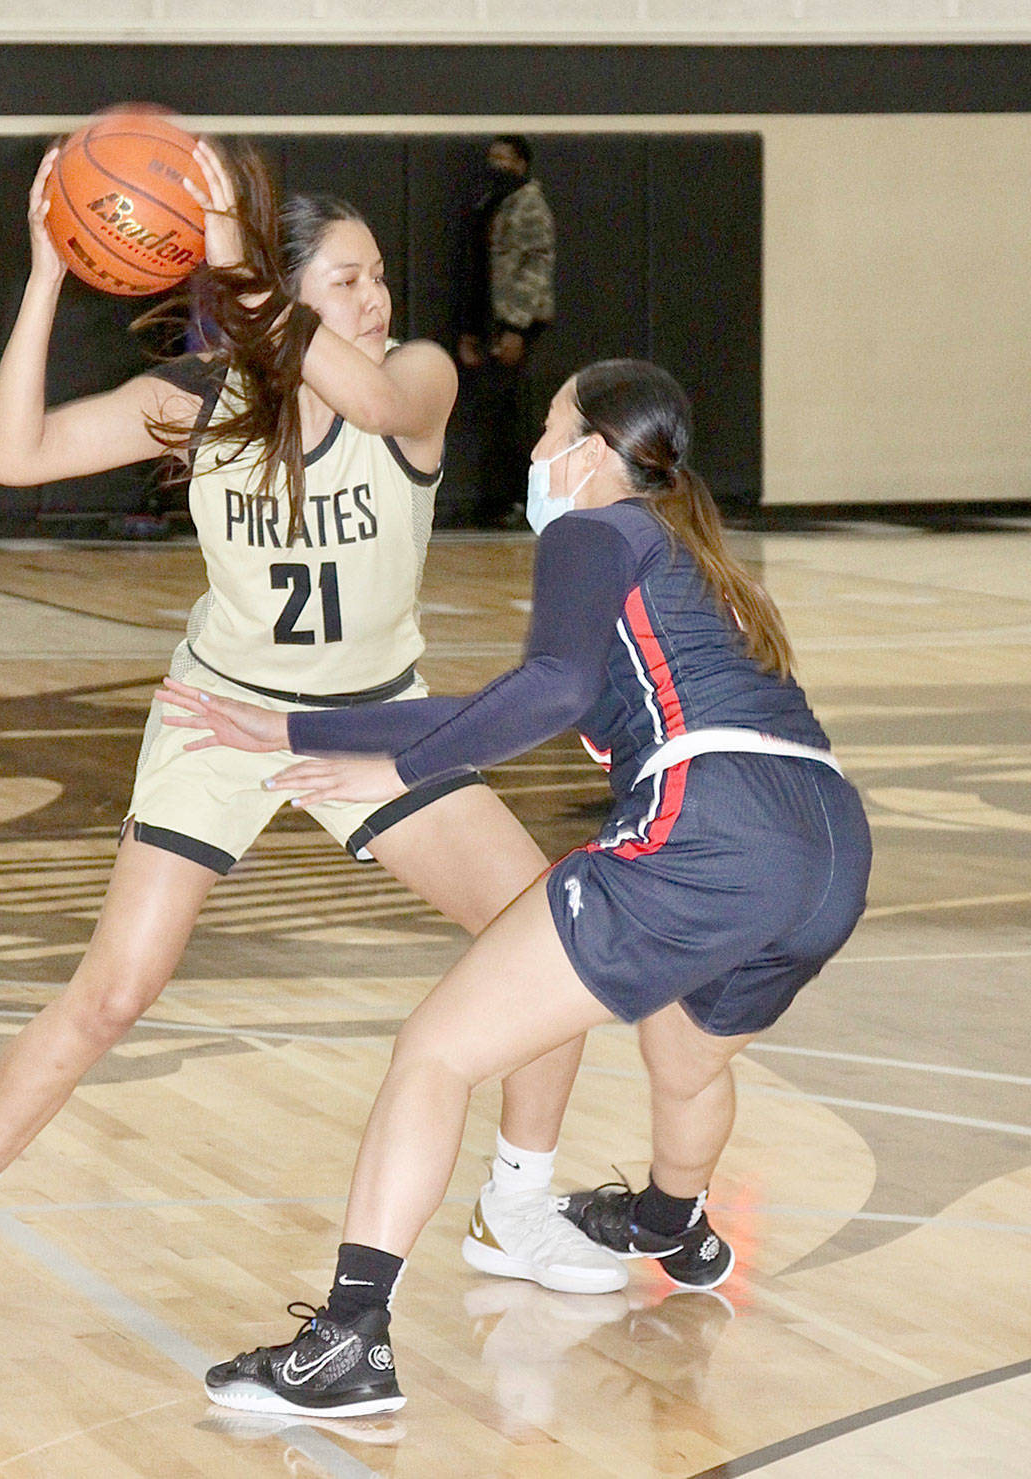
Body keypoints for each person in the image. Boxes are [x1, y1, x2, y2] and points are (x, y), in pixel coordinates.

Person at [0, 137, 625, 1323]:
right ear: (279, 297)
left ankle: (515, 1204)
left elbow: (368, 394)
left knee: (552, 934)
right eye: (346, 281)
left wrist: (249, 280)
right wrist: (46, 270)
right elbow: (10, 455)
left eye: (376, 276)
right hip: (220, 720)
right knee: (115, 992)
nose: (375, 299)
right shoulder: (200, 410)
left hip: (367, 726)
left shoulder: (413, 379)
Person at [154, 358, 872, 1416]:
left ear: (590, 453)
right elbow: (504, 697)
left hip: (704, 831)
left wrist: (393, 773)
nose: (533, 452)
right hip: (826, 851)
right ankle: (668, 1220)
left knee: (436, 1052)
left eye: (545, 429)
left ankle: (350, 1341)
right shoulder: (706, 568)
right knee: (685, 1054)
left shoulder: (596, 528)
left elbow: (550, 688)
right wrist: (299, 728)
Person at [455, 135, 555, 528]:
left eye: (504, 158)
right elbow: (477, 267)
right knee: (493, 418)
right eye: (491, 156)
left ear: (522, 164)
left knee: (517, 416)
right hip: (489, 323)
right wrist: (470, 329)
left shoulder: (528, 203)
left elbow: (536, 266)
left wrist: (516, 328)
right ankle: (498, 501)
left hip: (517, 324)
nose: (495, 164)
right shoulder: (489, 202)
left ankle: (524, 503)